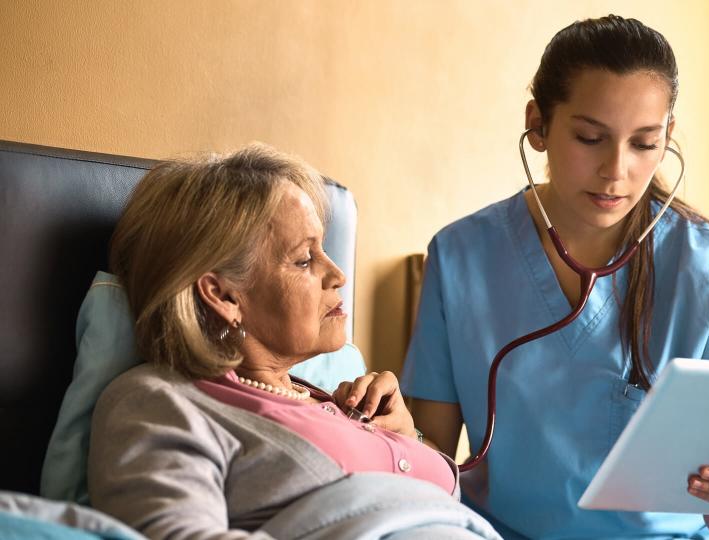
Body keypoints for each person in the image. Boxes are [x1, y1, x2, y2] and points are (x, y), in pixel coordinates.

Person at [401, 15, 709, 540]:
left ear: (668, 136)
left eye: (644, 144)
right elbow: (428, 461)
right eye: (590, 137)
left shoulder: (708, 269)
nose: (616, 170)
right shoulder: (461, 256)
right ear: (538, 125)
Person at [88, 144, 500, 539]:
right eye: (304, 259)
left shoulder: (334, 403)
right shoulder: (160, 403)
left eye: (323, 250)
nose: (338, 274)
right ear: (225, 296)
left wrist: (409, 438)